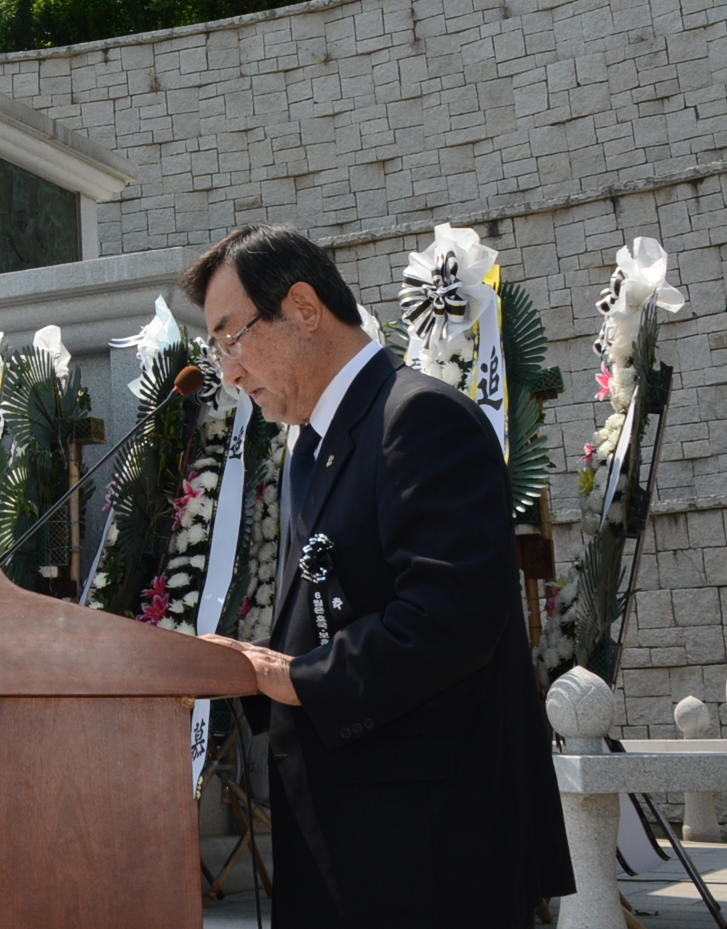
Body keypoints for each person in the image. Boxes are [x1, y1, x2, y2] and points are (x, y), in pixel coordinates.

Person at [188, 223, 572, 927]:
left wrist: (292, 678)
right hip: (353, 844)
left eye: (232, 338)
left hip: (429, 851)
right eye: (218, 351)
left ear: (304, 308)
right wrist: (243, 672)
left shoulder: (418, 417)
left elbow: (451, 620)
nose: (230, 372)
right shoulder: (314, 447)